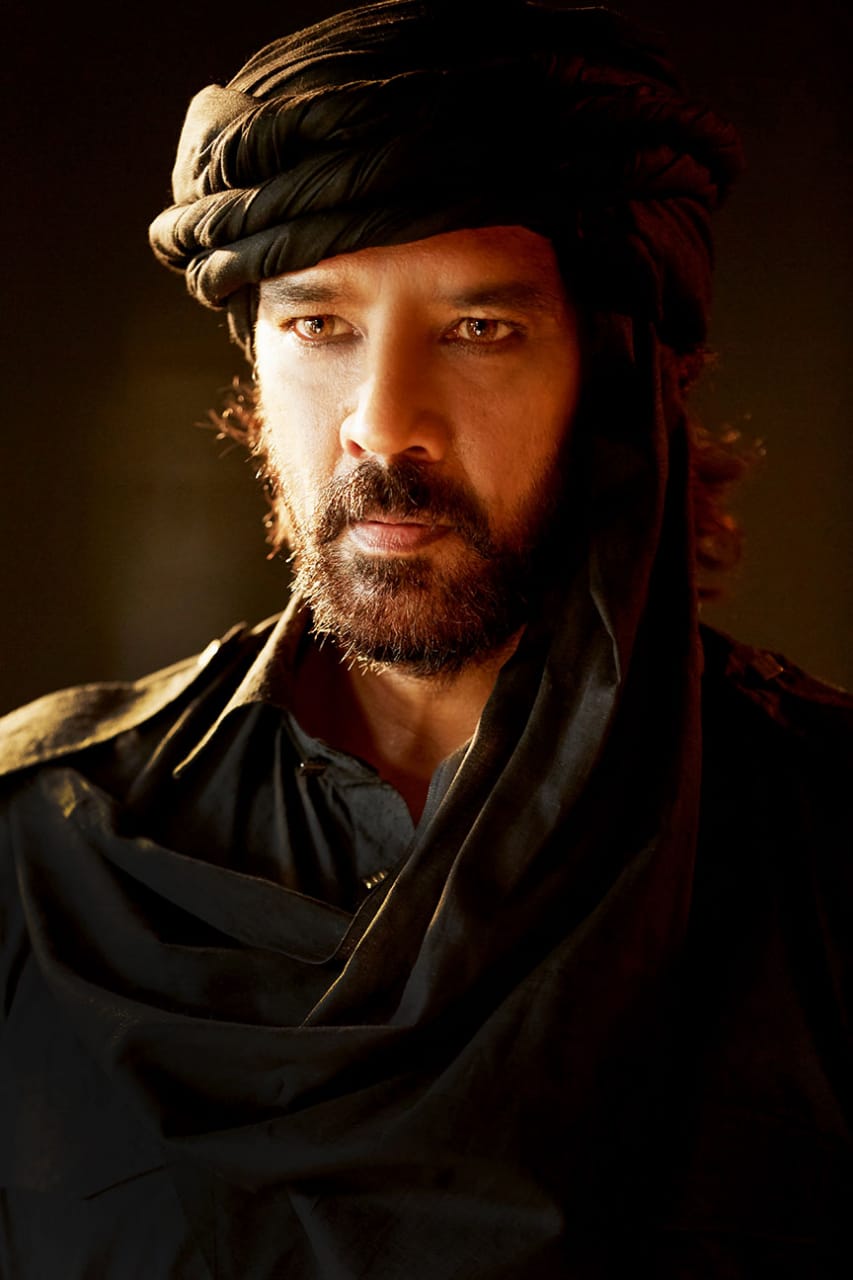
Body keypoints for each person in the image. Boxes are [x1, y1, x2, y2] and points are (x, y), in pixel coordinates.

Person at [1, 1, 850, 1276]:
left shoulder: (823, 847)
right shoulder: (38, 848)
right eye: (319, 325)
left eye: (479, 329)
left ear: (619, 384)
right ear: (256, 370)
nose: (383, 420)